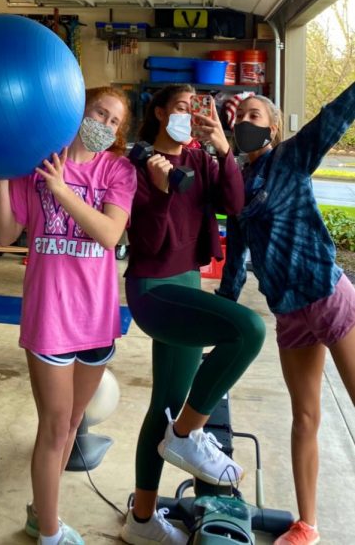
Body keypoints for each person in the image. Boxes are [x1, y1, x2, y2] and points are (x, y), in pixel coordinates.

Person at [121, 83, 267, 545]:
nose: (188, 114)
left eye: (195, 107)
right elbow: (146, 244)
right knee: (247, 329)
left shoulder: (202, 159)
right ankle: (186, 434)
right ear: (161, 113)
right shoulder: (139, 165)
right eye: (181, 107)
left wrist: (224, 149)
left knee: (164, 404)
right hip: (153, 288)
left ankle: (141, 521)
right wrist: (162, 189)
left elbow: (234, 205)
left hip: (187, 280)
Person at [0, 86, 137, 545]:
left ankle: (41, 512)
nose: (105, 125)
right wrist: (0, 174)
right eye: (100, 112)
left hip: (97, 318)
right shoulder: (35, 164)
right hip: (50, 317)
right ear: (79, 110)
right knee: (54, 428)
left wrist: (62, 190)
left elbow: (110, 233)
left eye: (115, 122)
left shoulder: (117, 169)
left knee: (73, 424)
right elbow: (4, 234)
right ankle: (50, 533)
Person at [218, 81, 355, 545]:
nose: (246, 125)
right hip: (290, 315)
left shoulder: (291, 158)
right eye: (242, 118)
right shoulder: (236, 187)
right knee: (305, 419)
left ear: (274, 128)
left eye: (257, 117)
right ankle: (307, 525)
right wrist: (222, 321)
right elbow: (234, 263)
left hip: (328, 296)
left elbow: (335, 117)